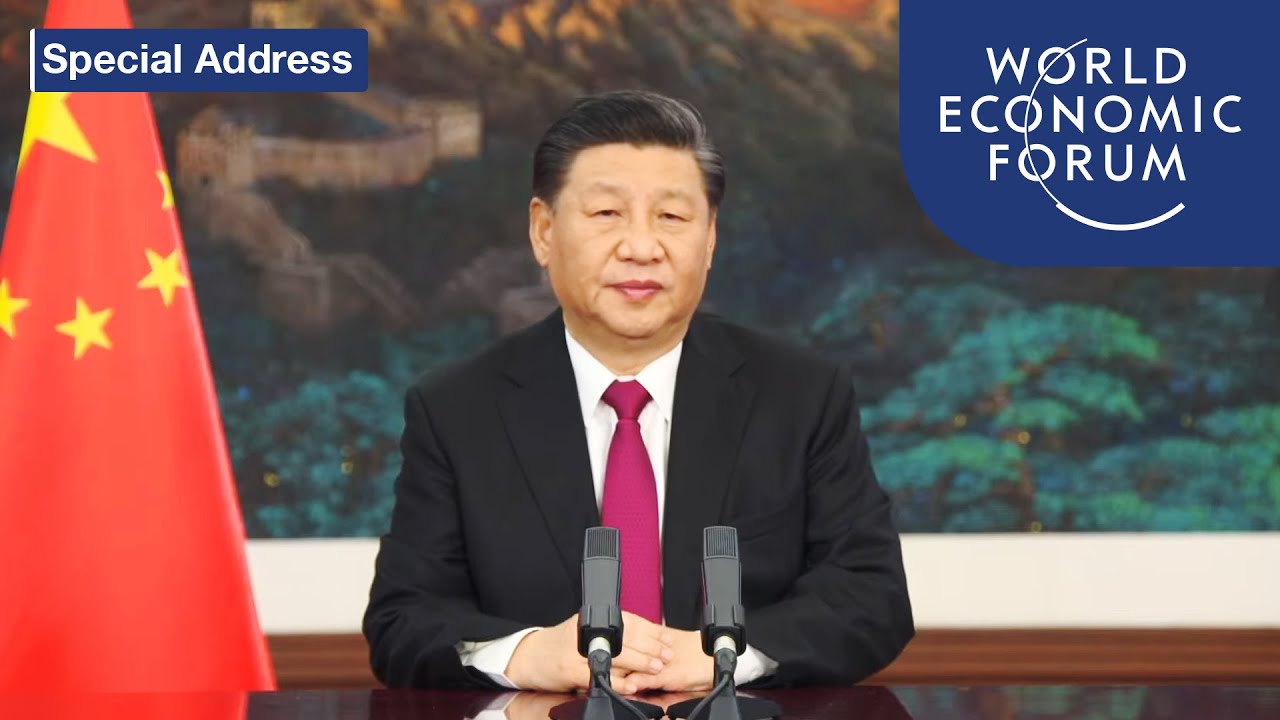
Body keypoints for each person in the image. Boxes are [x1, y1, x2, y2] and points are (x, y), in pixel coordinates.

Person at [362, 89, 914, 694]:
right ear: (543, 231)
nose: (642, 248)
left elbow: (872, 596)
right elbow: (403, 620)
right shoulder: (457, 409)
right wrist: (529, 654)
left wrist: (727, 654)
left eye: (672, 218)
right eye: (607, 214)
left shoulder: (801, 395)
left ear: (710, 239)